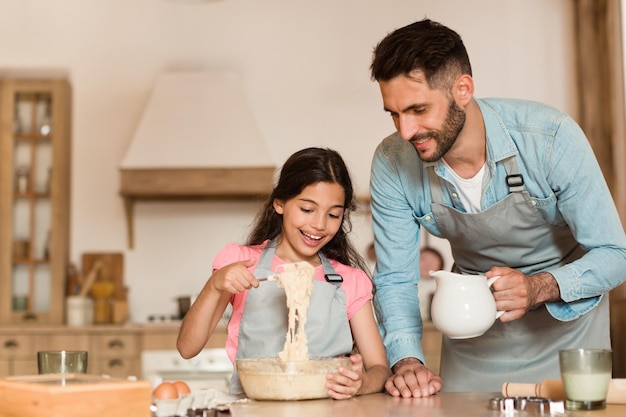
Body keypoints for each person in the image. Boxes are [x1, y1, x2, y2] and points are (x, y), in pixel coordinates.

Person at [368, 19, 626, 397]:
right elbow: (395, 279)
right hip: (474, 339)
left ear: (463, 89)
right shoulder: (392, 162)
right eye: (394, 113)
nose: (405, 131)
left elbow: (616, 255)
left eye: (418, 109)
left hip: (568, 337)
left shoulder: (550, 138)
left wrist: (539, 287)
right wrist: (408, 360)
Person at [177, 147, 390, 400]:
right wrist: (214, 286)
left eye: (333, 214)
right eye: (307, 209)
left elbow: (380, 370)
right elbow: (187, 348)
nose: (319, 224)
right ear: (280, 203)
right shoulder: (242, 262)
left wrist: (362, 383)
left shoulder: (349, 280)